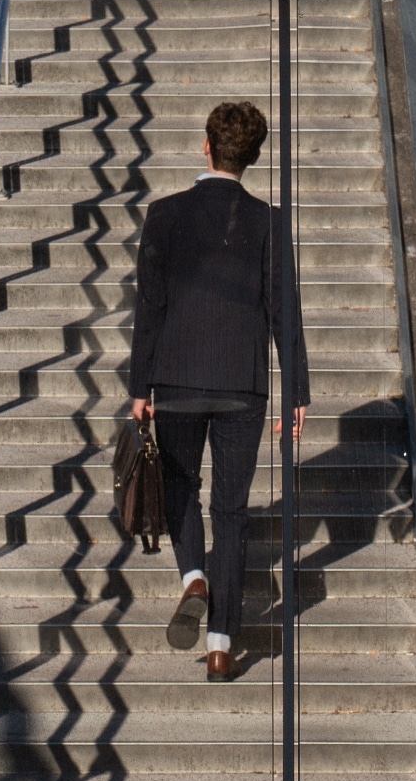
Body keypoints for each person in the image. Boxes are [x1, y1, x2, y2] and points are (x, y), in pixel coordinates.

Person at [128, 100, 308, 681]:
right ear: (250, 158)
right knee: (230, 512)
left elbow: (150, 308)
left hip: (176, 376)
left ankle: (192, 578)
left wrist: (139, 386)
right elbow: (283, 311)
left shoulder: (164, 214)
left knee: (180, 486)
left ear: (206, 147)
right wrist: (296, 390)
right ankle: (222, 647)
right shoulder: (269, 222)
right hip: (243, 385)